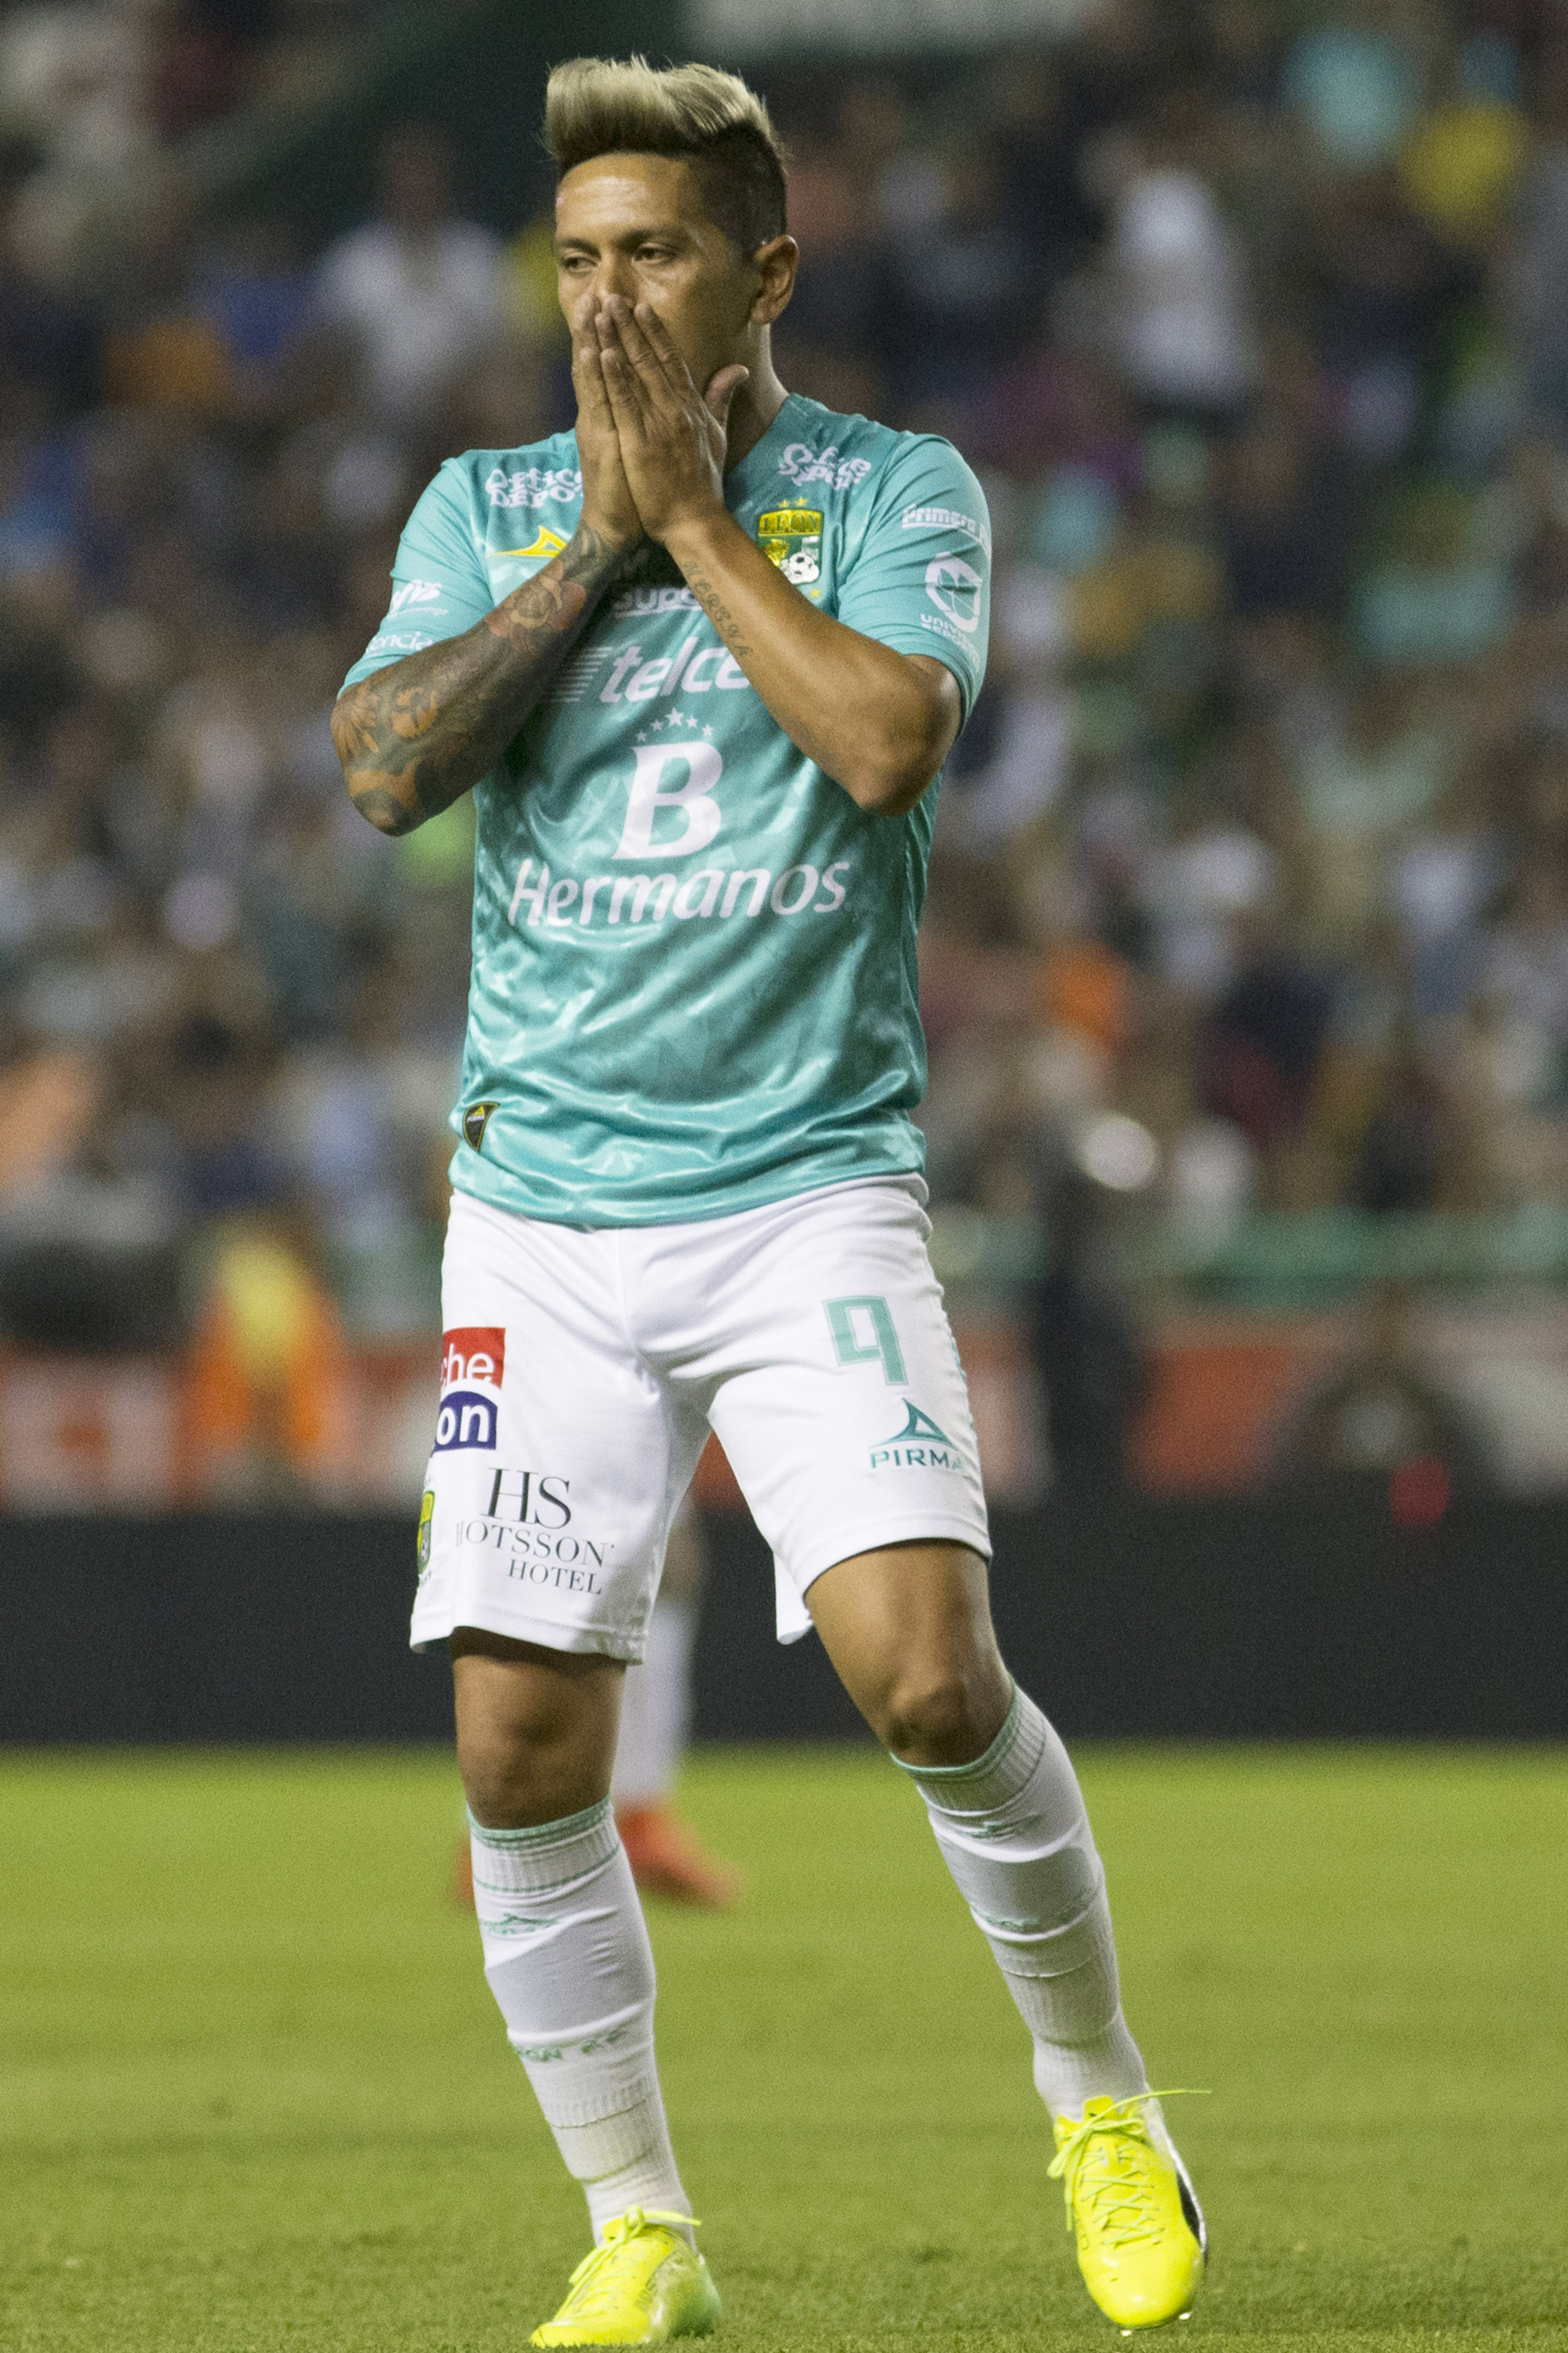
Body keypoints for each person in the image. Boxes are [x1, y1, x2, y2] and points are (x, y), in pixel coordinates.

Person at [332, 56, 1205, 2344]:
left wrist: (698, 528)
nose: (605, 298)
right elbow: (385, 763)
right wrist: (599, 543)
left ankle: (1099, 2097)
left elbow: (890, 741)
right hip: (542, 1213)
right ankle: (641, 2231)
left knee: (928, 1678)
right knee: (521, 1754)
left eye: (654, 254)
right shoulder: (483, 506)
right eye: (576, 259)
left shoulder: (896, 489)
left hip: (805, 1187)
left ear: (766, 273)